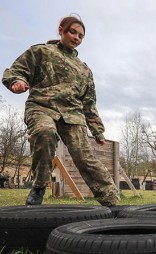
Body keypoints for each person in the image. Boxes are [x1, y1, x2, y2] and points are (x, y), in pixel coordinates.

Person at [2, 15, 120, 206]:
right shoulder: (41, 51)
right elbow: (16, 70)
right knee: (45, 132)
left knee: (85, 158)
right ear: (61, 30)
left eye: (81, 36)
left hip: (72, 116)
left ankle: (112, 201)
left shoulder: (84, 71)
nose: (76, 38)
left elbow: (89, 103)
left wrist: (97, 130)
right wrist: (17, 81)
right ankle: (39, 187)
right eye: (73, 32)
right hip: (42, 107)